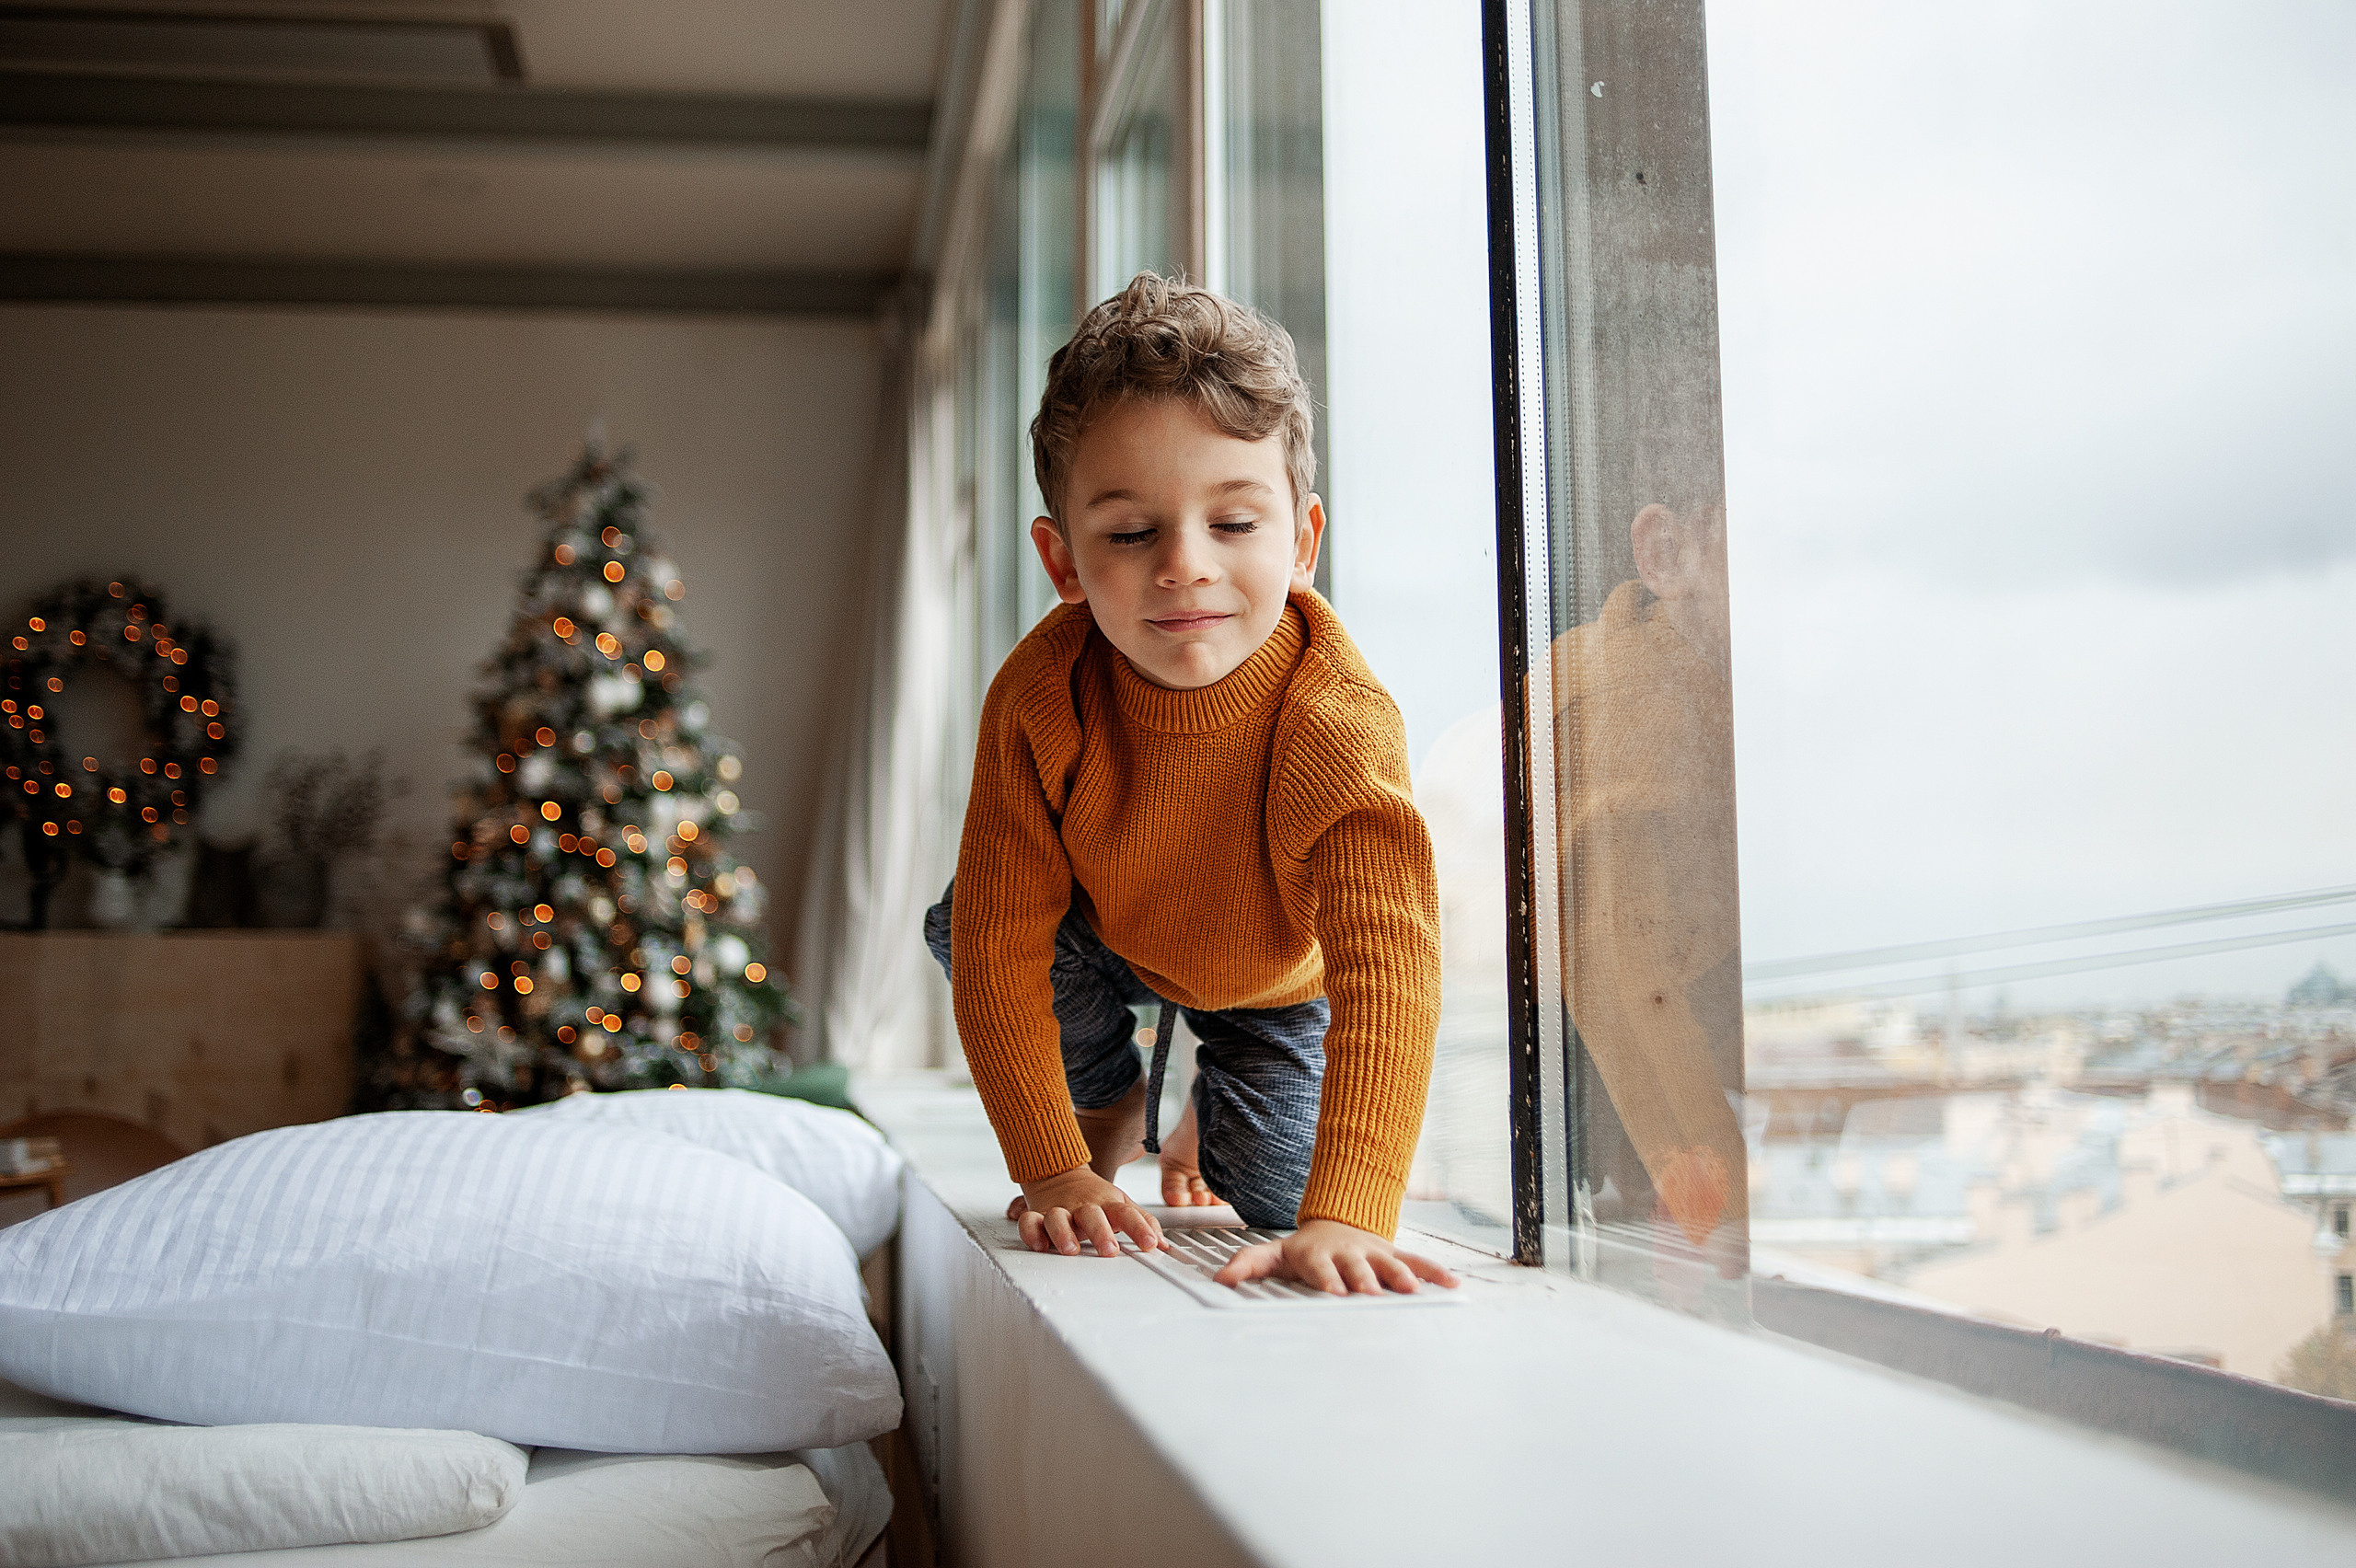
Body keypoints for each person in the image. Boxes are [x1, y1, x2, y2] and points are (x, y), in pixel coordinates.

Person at [923, 273, 1458, 1296]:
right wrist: (1053, 1168)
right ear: (1063, 559)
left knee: (1280, 1200)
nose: (1184, 567)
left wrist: (1347, 1215)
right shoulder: (1040, 696)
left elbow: (1387, 971)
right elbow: (999, 945)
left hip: (1273, 985)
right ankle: (1111, 1095)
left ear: (1301, 542)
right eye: (1130, 534)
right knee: (958, 921)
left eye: (1233, 525)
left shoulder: (1337, 722)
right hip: (1115, 935)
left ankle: (1210, 1104)